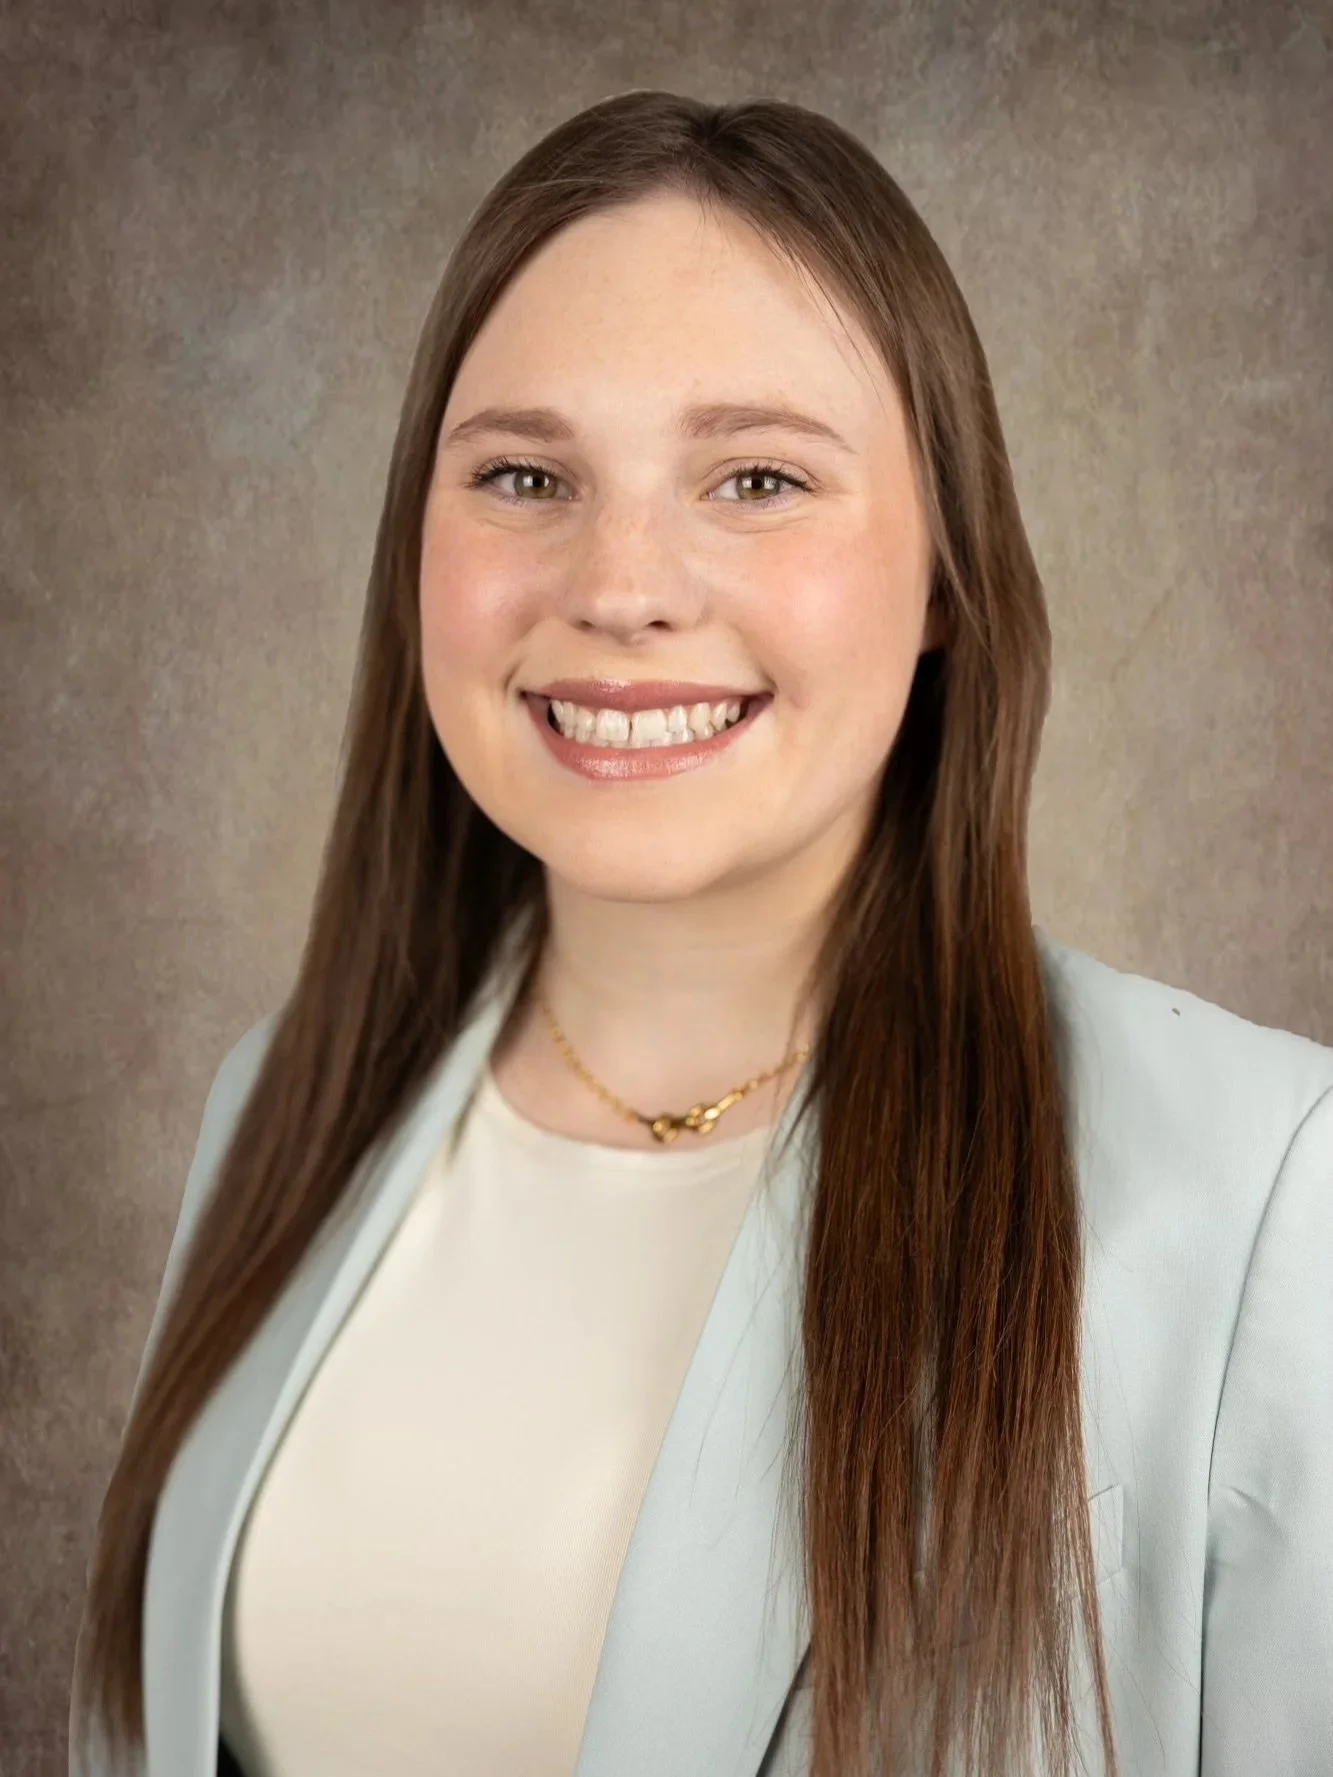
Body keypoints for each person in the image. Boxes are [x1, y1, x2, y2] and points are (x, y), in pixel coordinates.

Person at [70, 92, 1333, 1777]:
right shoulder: (276, 1108)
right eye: (527, 474)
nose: (624, 585)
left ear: (948, 570)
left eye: (756, 478)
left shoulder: (1264, 1198)